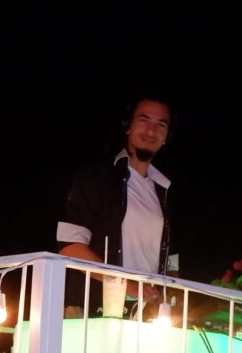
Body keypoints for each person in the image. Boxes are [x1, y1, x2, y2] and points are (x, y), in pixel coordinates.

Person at [56, 93, 180, 317]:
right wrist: (123, 283)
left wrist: (174, 300)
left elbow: (171, 262)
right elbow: (70, 246)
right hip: (93, 308)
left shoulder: (163, 191)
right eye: (143, 120)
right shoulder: (96, 177)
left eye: (160, 125)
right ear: (128, 126)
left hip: (146, 315)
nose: (151, 130)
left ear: (167, 137)